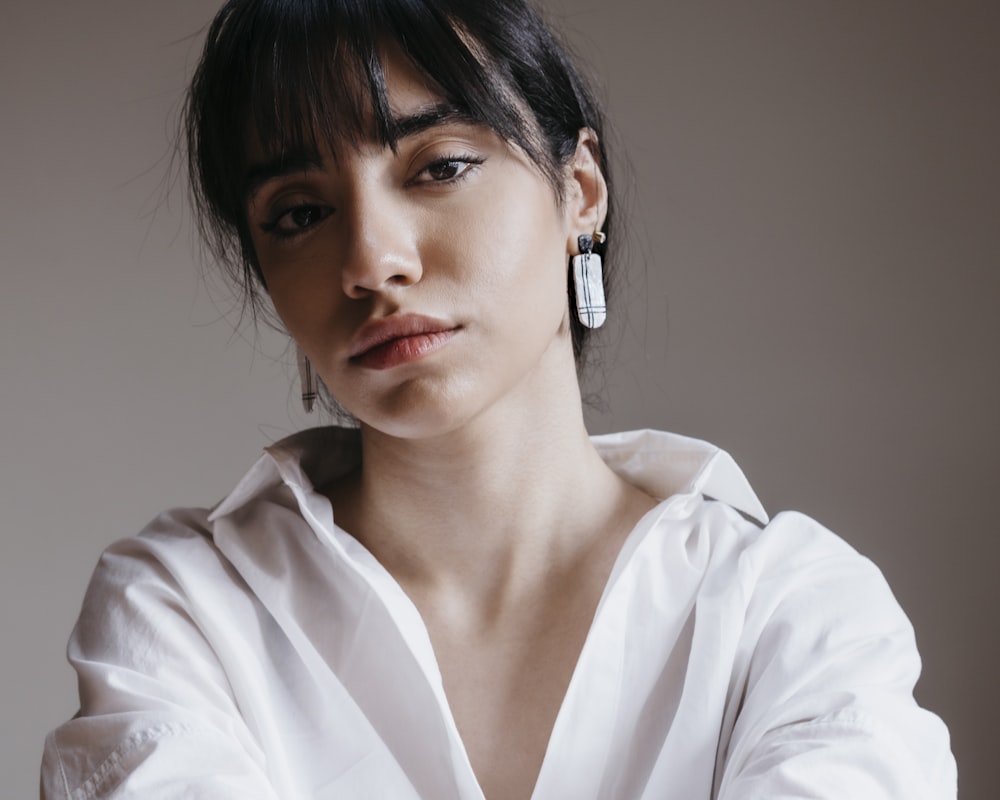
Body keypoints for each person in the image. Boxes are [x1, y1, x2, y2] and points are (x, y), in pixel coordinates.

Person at [41, 0, 957, 798]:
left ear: (580, 192)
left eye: (438, 166)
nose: (371, 262)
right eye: (299, 213)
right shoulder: (182, 611)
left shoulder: (791, 612)